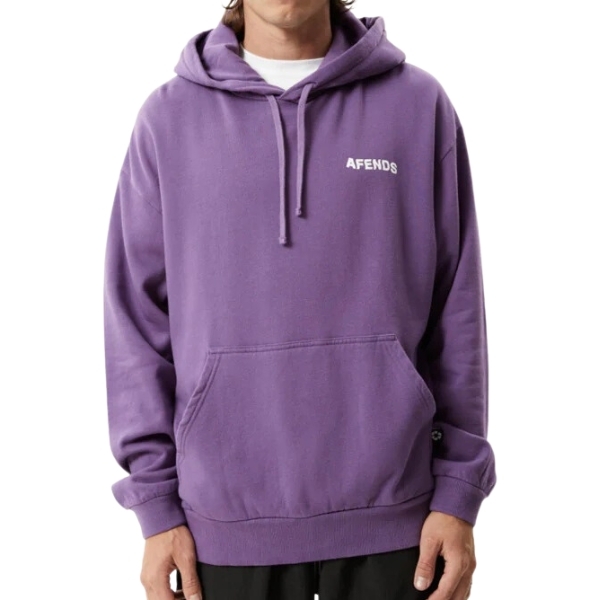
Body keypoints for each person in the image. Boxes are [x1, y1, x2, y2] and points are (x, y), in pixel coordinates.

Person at [102, 1, 498, 598]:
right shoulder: (168, 119)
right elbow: (134, 320)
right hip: (221, 527)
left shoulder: (418, 106)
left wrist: (459, 494)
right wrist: (155, 506)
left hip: (401, 521)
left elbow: (457, 307)